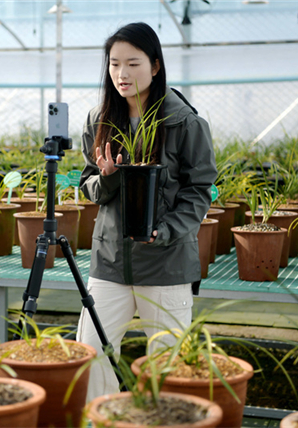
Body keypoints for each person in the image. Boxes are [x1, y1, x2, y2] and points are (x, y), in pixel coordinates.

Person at [76, 22, 217, 400]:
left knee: (166, 368)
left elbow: (200, 189)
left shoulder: (184, 122)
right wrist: (107, 178)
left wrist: (167, 229)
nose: (122, 74)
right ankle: (102, 419)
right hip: (110, 261)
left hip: (166, 263)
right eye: (114, 64)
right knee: (92, 355)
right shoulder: (99, 119)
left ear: (155, 66)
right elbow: (88, 185)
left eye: (133, 64)